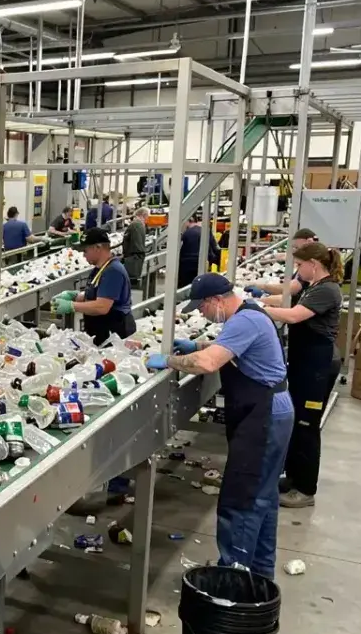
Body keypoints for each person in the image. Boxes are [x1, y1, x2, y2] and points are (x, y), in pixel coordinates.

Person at [146, 274, 295, 579]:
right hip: (271, 410)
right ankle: (260, 574)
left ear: (215, 300)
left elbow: (208, 363)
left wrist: (171, 360)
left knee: (242, 498)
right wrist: (197, 345)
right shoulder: (248, 313)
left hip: (264, 416)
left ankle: (232, 578)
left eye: (201, 307)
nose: (202, 314)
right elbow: (229, 349)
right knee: (263, 497)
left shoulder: (244, 320)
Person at [261, 243, 344, 509]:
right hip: (305, 363)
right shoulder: (313, 286)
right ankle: (293, 478)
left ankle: (306, 490)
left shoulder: (327, 289)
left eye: (299, 265)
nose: (298, 270)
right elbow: (289, 303)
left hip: (318, 366)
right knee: (297, 422)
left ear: (313, 264)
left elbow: (295, 316)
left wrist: (257, 311)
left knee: (307, 426)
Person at [51, 228, 135, 346]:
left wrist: (71, 306)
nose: (83, 255)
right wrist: (75, 296)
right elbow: (96, 293)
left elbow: (102, 306)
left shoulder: (113, 271)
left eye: (85, 250)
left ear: (98, 247)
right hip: (101, 332)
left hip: (114, 336)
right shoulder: (100, 269)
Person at [246, 228, 319, 299]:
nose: (295, 251)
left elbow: (291, 289)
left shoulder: (310, 263)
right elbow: (287, 256)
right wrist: (271, 256)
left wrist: (262, 287)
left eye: (297, 247)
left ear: (309, 242)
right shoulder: (309, 258)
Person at [177, 213, 220, 288]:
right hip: (202, 264)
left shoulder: (186, 234)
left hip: (186, 266)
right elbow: (214, 248)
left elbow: (179, 251)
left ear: (190, 219)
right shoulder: (206, 230)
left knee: (185, 288)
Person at [123, 207, 148, 287]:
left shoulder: (136, 224)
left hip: (133, 260)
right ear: (143, 215)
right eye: (147, 217)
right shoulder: (138, 224)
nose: (147, 219)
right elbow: (137, 245)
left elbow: (134, 244)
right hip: (135, 260)